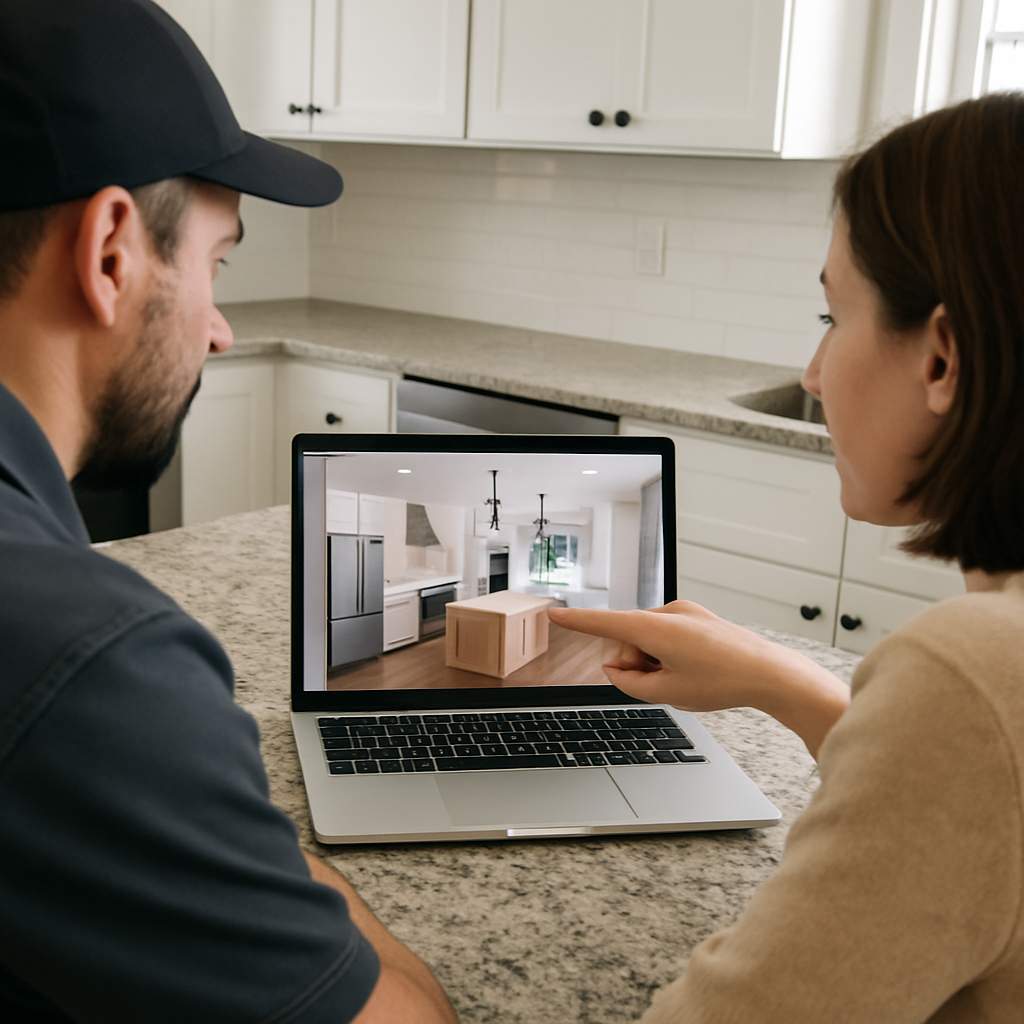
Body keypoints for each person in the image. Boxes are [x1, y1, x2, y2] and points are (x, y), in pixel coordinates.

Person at [0, 2, 457, 1022]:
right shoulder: (87, 656)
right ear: (112, 248)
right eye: (217, 262)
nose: (217, 328)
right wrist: (253, 848)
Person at [550, 93, 1024, 1022]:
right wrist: (785, 682)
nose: (812, 375)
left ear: (943, 360)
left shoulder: (975, 670)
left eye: (830, 315)